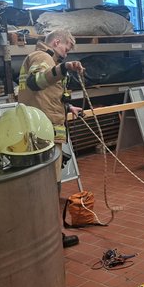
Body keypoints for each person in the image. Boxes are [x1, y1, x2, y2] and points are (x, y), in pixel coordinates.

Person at [18, 28, 84, 248]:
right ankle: (52, 236)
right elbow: (35, 82)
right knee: (49, 186)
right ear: (56, 42)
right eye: (67, 47)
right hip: (45, 133)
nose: (67, 53)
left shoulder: (45, 59)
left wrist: (68, 106)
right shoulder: (42, 57)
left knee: (44, 185)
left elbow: (44, 94)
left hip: (40, 131)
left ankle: (44, 233)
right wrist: (64, 68)